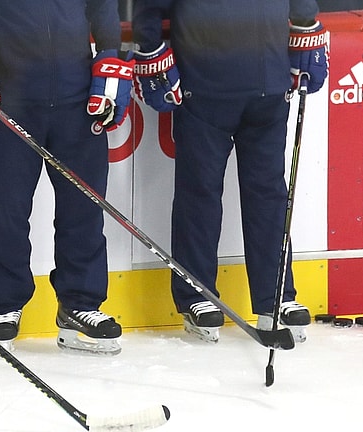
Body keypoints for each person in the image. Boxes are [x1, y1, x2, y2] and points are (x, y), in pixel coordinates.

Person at [0, 0, 133, 355]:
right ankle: (5, 304)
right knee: (7, 212)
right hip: (9, 102)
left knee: (82, 210)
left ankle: (80, 303)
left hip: (78, 100)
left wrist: (110, 56)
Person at [131, 0, 328, 344]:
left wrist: (306, 26)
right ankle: (197, 294)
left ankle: (276, 296)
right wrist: (150, 50)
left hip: (268, 89)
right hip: (203, 90)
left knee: (269, 194)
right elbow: (148, 10)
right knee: (200, 193)